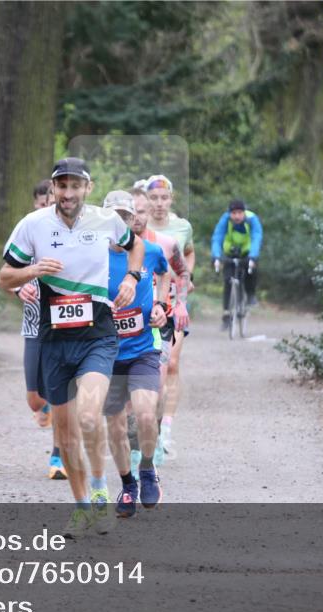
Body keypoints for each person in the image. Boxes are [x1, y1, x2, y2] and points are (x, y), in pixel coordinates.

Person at [0, 158, 144, 538]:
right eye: (61, 186)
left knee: (89, 417)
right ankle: (81, 508)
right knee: (64, 439)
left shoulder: (106, 220)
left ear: (87, 188)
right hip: (53, 338)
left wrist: (132, 275)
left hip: (97, 334)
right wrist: (31, 273)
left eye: (75, 186)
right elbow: (4, 277)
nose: (68, 193)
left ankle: (100, 490)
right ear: (53, 188)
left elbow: (136, 245)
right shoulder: (32, 225)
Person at [100, 190, 169, 517]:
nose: (119, 223)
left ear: (132, 221)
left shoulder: (149, 252)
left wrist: (161, 306)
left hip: (142, 348)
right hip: (106, 353)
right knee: (114, 424)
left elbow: (165, 272)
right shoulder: (92, 257)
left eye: (125, 217)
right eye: (113, 217)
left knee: (144, 414)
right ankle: (127, 485)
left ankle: (146, 469)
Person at [129, 187, 189, 466]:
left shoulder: (164, 244)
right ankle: (135, 449)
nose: (136, 217)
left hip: (159, 322)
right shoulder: (112, 245)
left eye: (141, 211)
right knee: (128, 391)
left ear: (148, 212)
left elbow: (183, 272)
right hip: (127, 323)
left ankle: (158, 432)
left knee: (157, 384)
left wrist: (179, 304)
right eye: (132, 212)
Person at [13, 179, 66, 479]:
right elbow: (10, 273)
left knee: (60, 395)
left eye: (51, 201)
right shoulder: (27, 232)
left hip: (63, 326)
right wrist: (20, 288)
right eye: (41, 202)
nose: (46, 207)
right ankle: (42, 407)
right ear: (35, 204)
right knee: (35, 399)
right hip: (33, 326)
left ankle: (58, 457)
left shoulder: (67, 235)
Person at [142, 174, 194, 458]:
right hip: (145, 303)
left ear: (171, 199)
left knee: (171, 363)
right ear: (147, 200)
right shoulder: (138, 225)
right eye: (154, 198)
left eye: (164, 198)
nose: (159, 203)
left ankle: (167, 427)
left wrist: (187, 278)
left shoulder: (181, 226)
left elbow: (188, 254)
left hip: (174, 302)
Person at [211, 199, 263, 330]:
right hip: (230, 252)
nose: (237, 216)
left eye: (240, 213)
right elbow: (217, 237)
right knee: (228, 281)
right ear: (230, 213)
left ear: (244, 212)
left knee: (252, 270)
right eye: (233, 213)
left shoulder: (252, 219)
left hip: (247, 252)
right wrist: (216, 256)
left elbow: (257, 237)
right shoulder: (225, 220)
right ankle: (227, 315)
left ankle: (250, 294)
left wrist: (253, 256)